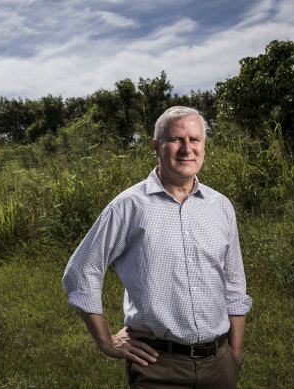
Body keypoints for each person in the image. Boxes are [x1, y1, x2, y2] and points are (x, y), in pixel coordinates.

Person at [62, 106, 252, 388]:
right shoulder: (129, 206)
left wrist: (234, 357)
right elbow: (81, 271)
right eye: (176, 139)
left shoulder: (220, 206)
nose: (187, 149)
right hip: (157, 366)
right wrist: (107, 341)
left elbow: (235, 286)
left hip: (219, 364)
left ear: (204, 145)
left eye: (195, 140)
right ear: (156, 147)